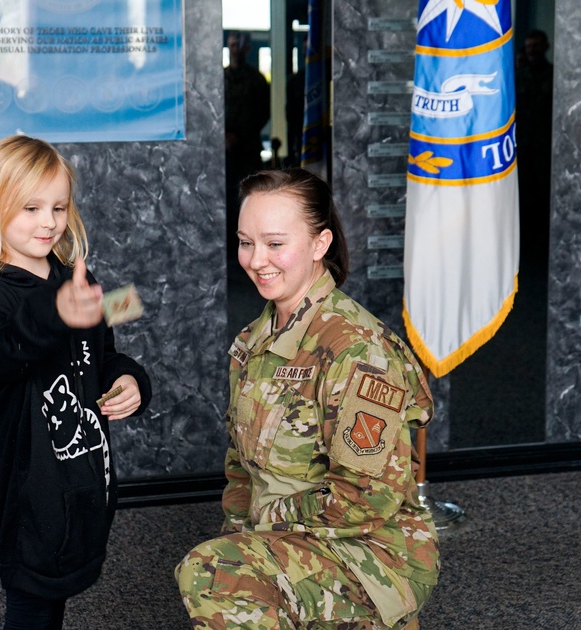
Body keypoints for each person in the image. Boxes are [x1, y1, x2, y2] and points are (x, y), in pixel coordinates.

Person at [176, 168, 438, 629]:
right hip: (293, 536)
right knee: (224, 568)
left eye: (275, 243)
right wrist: (241, 534)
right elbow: (242, 466)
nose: (257, 260)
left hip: (369, 553)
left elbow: (366, 498)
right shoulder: (252, 342)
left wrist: (264, 524)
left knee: (212, 573)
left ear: (320, 245)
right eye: (246, 242)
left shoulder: (357, 350)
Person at [0, 135, 152, 630]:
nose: (48, 221)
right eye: (30, 207)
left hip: (81, 469)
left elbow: (105, 350)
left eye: (58, 207)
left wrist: (130, 379)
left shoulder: (74, 276)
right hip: (26, 471)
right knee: (32, 595)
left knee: (62, 580)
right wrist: (54, 310)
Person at [225, 31, 271, 255]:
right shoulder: (219, 78)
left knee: (248, 201)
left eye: (240, 46)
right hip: (222, 153)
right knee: (223, 202)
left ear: (248, 49)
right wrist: (223, 136)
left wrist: (239, 136)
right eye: (232, 45)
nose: (236, 50)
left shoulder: (257, 80)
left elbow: (263, 114)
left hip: (248, 151)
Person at [515, 29, 554, 267]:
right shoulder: (519, 76)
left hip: (543, 146)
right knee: (523, 197)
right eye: (529, 46)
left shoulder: (553, 76)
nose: (532, 51)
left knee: (543, 197)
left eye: (536, 46)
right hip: (522, 145)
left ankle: (542, 245)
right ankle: (526, 245)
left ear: (546, 47)